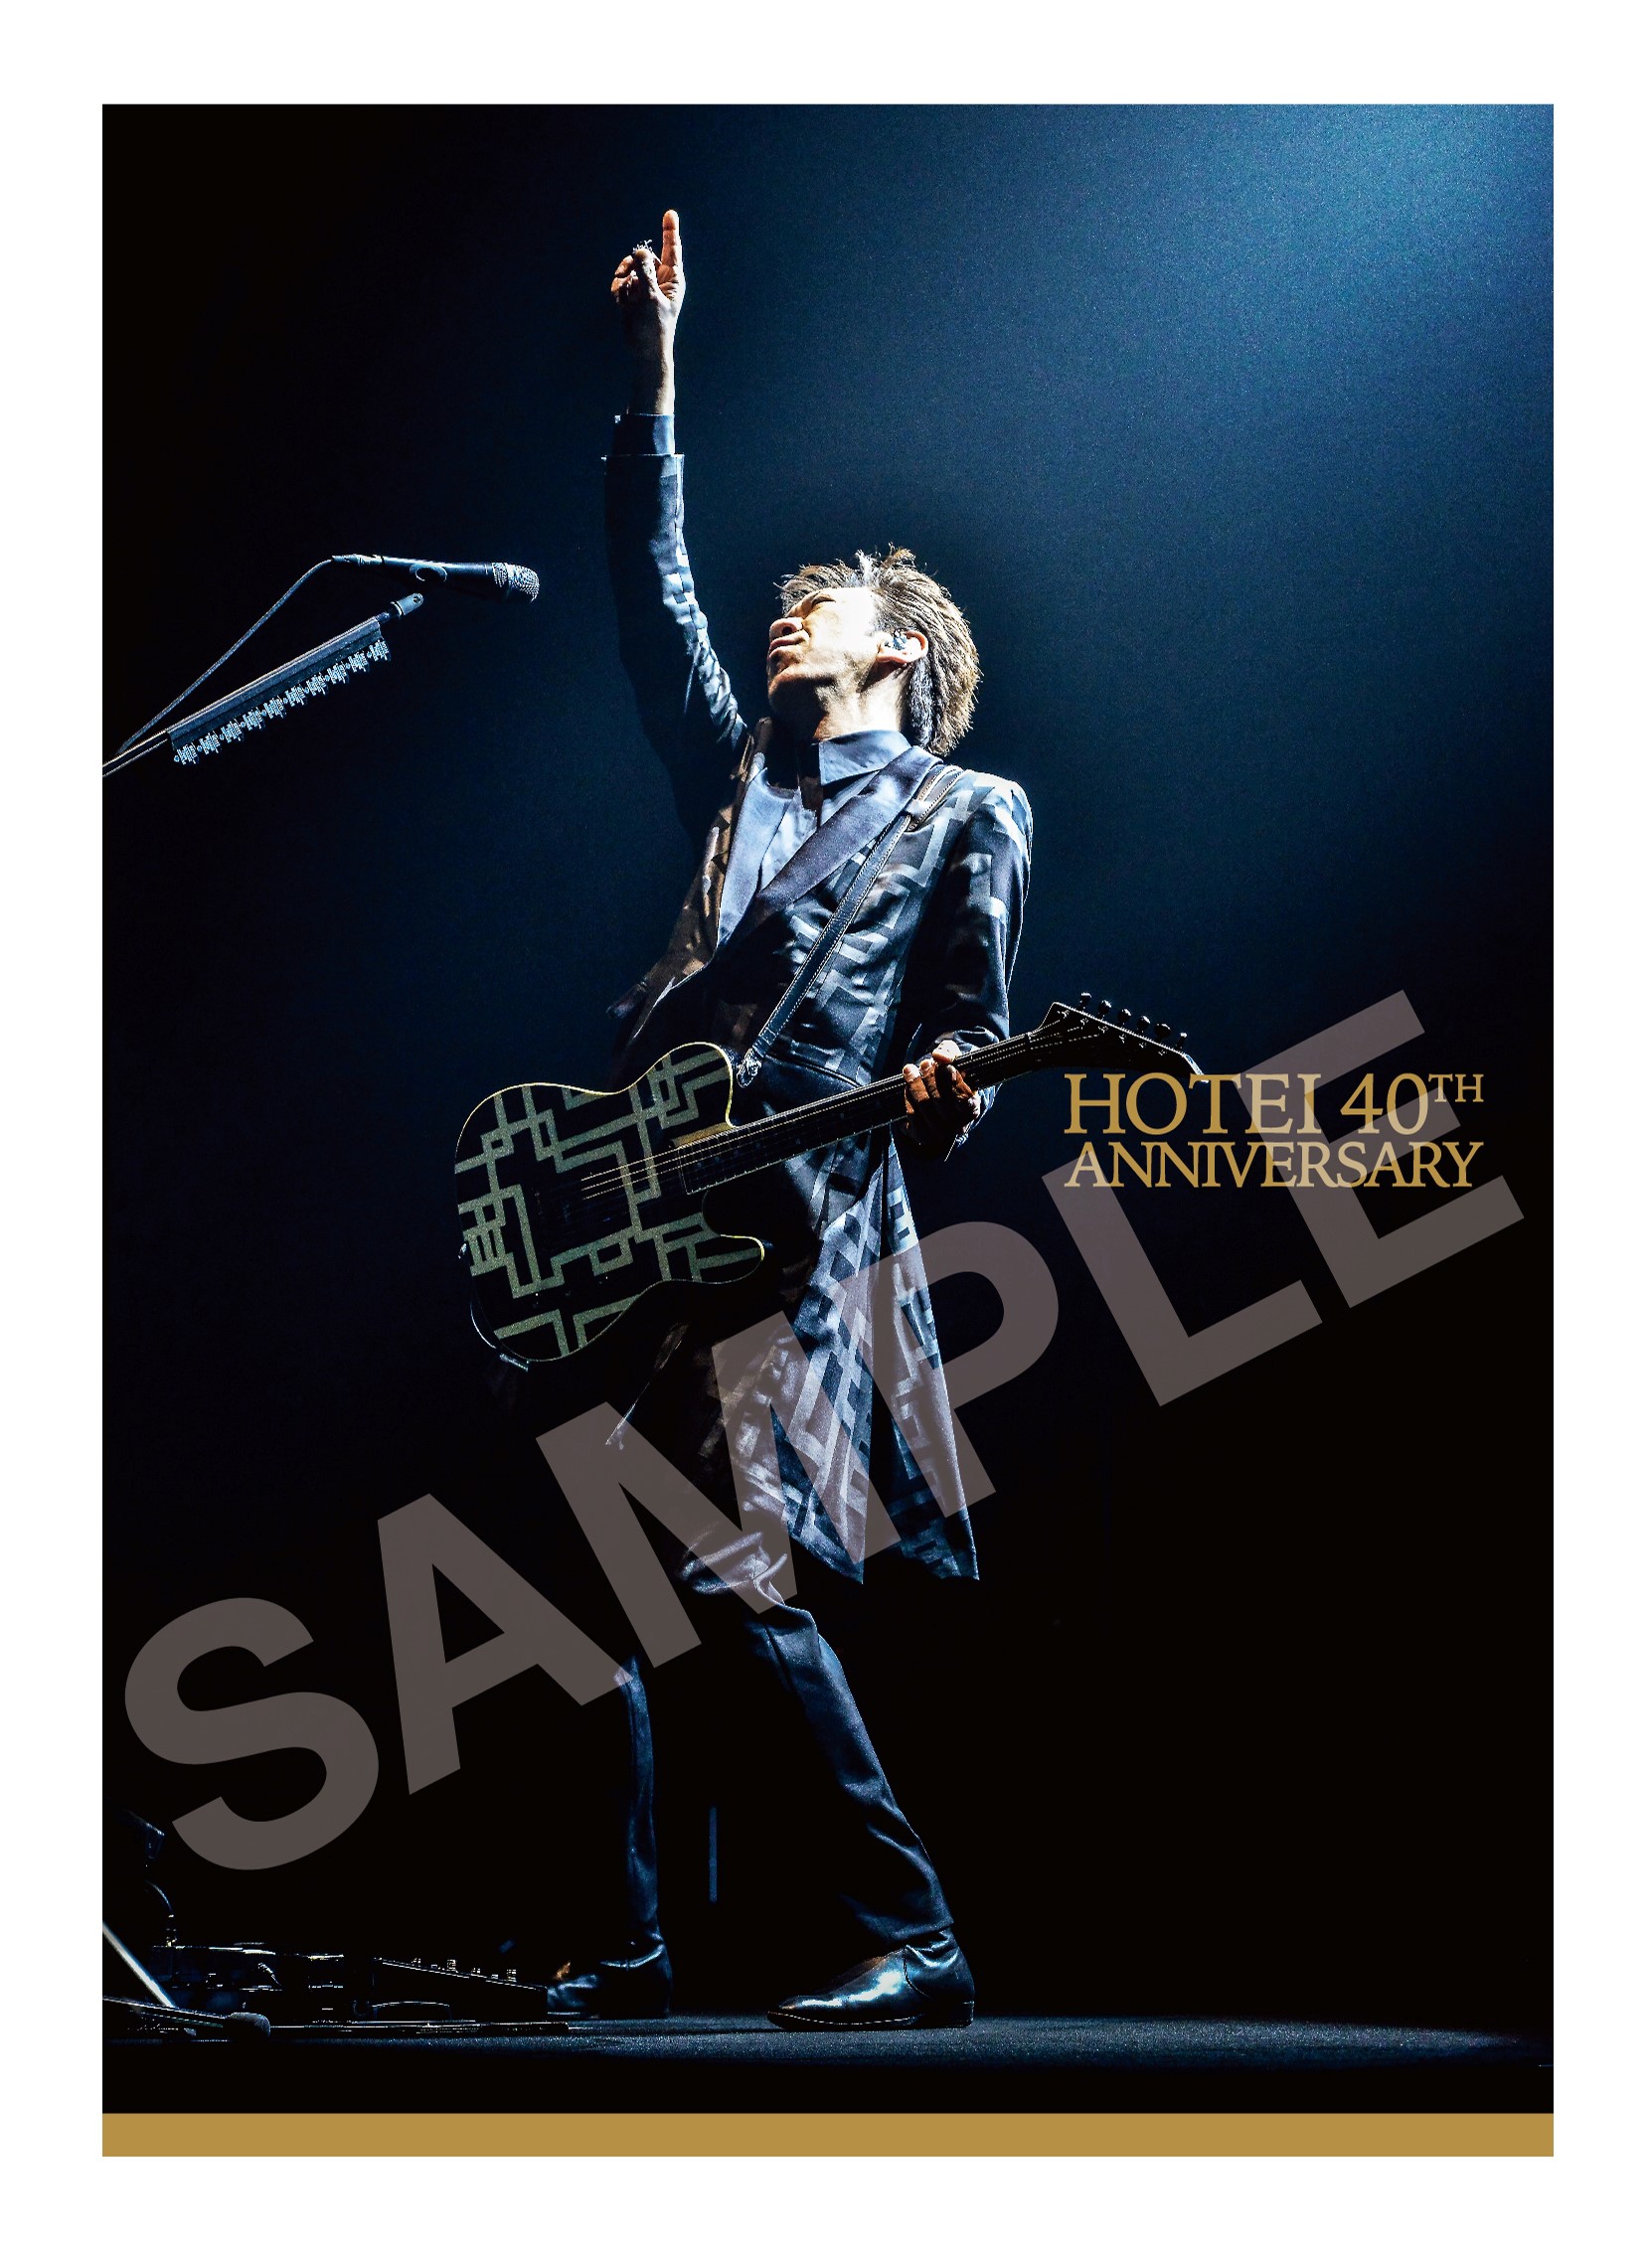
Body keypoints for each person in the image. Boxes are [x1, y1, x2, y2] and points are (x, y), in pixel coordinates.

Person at [543, 209, 1032, 2030]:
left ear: (897, 654)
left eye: (816, 608)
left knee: (723, 1562)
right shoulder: (735, 765)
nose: (779, 615)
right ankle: (622, 1939)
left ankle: (912, 1929)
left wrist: (941, 1094)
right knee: (575, 1554)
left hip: (798, 1219)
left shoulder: (968, 810)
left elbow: (970, 1022)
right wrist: (654, 378)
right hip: (634, 1200)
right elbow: (648, 595)